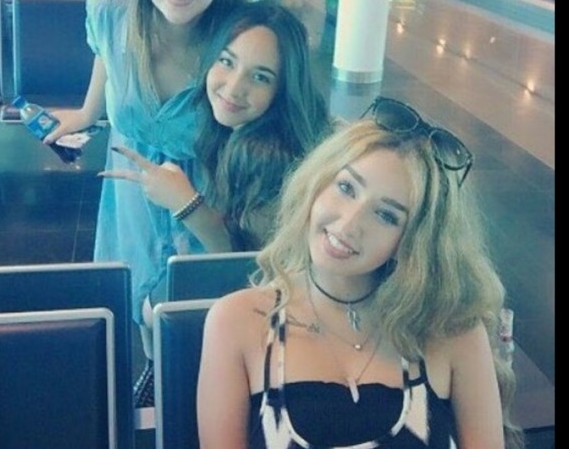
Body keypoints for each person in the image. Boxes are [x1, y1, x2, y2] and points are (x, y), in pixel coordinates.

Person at [197, 96, 525, 449]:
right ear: (317, 183)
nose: (349, 224)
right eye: (346, 188)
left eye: (386, 215)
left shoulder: (453, 330)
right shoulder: (237, 322)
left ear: (415, 241)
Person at [43, 0, 247, 407]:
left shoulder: (237, 40)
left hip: (203, 199)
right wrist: (88, 112)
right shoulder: (111, 7)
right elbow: (107, 55)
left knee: (198, 322)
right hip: (130, 200)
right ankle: (156, 372)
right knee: (141, 308)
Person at [103, 0, 333, 254]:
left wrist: (185, 203)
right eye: (226, 61)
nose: (233, 88)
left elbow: (246, 263)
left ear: (282, 90)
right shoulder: (230, 129)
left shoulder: (268, 158)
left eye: (260, 77)